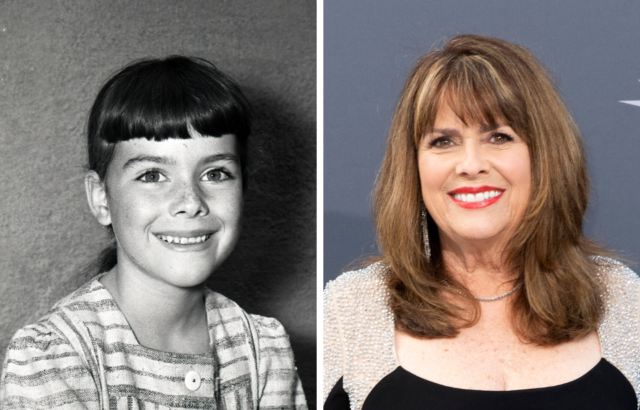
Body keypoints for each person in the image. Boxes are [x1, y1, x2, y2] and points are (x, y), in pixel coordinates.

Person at [323, 35, 639, 410]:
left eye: (499, 136)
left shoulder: (623, 301)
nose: (471, 164)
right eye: (443, 142)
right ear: (414, 166)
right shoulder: (351, 310)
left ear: (545, 156)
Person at [1, 56, 307, 410]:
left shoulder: (265, 348)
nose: (190, 202)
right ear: (101, 198)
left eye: (216, 173)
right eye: (152, 176)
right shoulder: (53, 357)